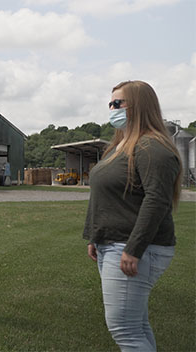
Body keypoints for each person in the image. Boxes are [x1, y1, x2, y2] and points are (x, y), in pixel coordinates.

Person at [83, 80, 182, 351]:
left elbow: (157, 200)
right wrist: (94, 236)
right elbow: (105, 197)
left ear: (139, 106)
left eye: (119, 103)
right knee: (136, 326)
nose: (112, 108)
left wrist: (133, 249)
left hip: (132, 247)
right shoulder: (120, 146)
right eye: (110, 103)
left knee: (125, 330)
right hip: (112, 244)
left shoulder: (152, 148)